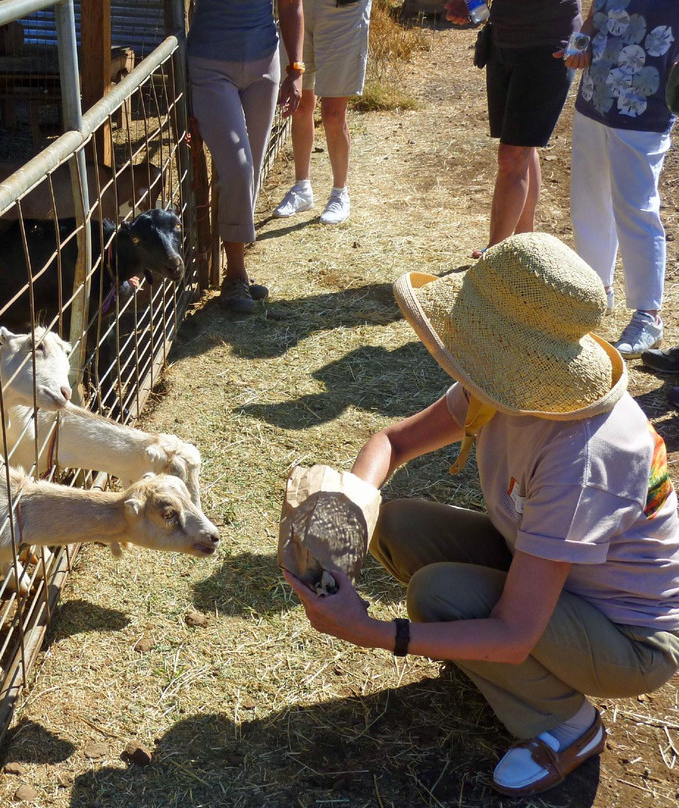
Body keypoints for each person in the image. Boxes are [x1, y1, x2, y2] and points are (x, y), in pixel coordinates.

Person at [284, 234, 679, 797]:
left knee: (441, 596)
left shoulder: (583, 451)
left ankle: (566, 727)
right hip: (551, 573)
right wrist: (346, 510)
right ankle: (490, 661)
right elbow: (391, 444)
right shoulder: (512, 385)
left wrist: (370, 632)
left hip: (628, 640)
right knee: (394, 525)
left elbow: (516, 632)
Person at [562, 0, 679, 358]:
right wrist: (580, 41)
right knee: (588, 204)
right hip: (596, 93)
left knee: (636, 209)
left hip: (646, 102)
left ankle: (649, 316)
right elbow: (598, 12)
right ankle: (595, 292)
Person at [188, 0, 304, 314]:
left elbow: (292, 5)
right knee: (238, 168)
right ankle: (235, 274)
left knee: (250, 168)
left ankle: (235, 270)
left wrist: (296, 68)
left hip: (265, 65)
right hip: (210, 66)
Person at [445, 0, 581, 258]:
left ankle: (496, 259)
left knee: (511, 155)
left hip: (548, 45)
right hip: (503, 41)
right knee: (522, 147)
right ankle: (522, 244)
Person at [273, 0, 372, 224]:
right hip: (299, 6)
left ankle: (339, 193)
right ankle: (302, 188)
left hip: (343, 10)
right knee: (299, 104)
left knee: (333, 114)